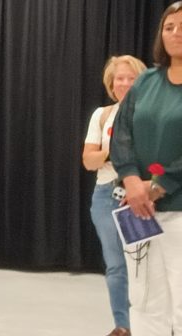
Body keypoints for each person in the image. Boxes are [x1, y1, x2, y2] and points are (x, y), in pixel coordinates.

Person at [112, 1, 182, 336]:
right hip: (140, 210)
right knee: (144, 300)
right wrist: (131, 180)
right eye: (169, 27)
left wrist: (159, 184)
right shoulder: (146, 82)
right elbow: (122, 132)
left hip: (177, 209)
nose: (176, 33)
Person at [83, 55, 146, 336]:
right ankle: (124, 326)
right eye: (119, 78)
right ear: (111, 83)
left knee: (141, 264)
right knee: (116, 265)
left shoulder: (149, 114)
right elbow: (88, 160)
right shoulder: (102, 115)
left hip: (138, 197)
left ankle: (148, 325)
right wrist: (113, 152)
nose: (124, 83)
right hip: (106, 196)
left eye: (131, 78)